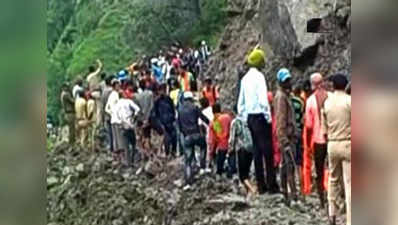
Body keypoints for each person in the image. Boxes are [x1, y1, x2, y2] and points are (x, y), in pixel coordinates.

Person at [237, 48, 279, 194]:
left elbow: (240, 103)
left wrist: (244, 118)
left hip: (250, 118)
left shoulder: (244, 79)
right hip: (261, 117)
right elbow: (263, 99)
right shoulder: (259, 77)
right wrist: (268, 117)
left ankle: (261, 185)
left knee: (257, 152)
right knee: (268, 152)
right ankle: (272, 185)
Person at [322, 74, 351, 225]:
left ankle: (332, 213)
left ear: (333, 85)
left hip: (332, 144)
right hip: (348, 143)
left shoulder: (327, 103)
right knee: (349, 182)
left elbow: (324, 129)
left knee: (333, 179)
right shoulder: (350, 101)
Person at [303, 73, 329, 208]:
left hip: (318, 141)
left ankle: (322, 200)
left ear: (312, 85)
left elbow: (308, 125)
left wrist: (307, 144)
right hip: (332, 139)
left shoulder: (310, 101)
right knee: (333, 169)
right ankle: (335, 198)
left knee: (319, 171)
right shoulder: (330, 97)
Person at [274, 68, 298, 205]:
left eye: (289, 80)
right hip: (286, 138)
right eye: (286, 81)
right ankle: (292, 195)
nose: (288, 83)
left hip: (289, 136)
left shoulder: (285, 95)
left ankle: (285, 193)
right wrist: (284, 141)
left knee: (286, 166)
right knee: (289, 166)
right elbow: (280, 120)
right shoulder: (281, 98)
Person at [178, 92, 209, 187]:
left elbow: (179, 124)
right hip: (196, 133)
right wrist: (211, 123)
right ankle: (202, 167)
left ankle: (188, 182)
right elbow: (203, 118)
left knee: (188, 160)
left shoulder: (180, 109)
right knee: (203, 146)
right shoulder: (195, 107)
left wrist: (183, 133)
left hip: (187, 136)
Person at [229, 114, 257, 198]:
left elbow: (232, 138)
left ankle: (252, 190)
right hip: (251, 148)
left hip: (241, 149)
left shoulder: (235, 122)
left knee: (242, 175)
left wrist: (230, 149)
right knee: (247, 172)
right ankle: (249, 193)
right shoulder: (248, 119)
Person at [208, 103, 235, 178]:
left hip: (222, 145)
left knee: (220, 163)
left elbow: (218, 136)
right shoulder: (227, 117)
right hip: (231, 144)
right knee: (232, 162)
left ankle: (220, 174)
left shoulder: (215, 121)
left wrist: (212, 151)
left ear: (213, 111)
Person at [116, 92, 141, 167]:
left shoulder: (117, 105)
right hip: (130, 124)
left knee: (126, 145)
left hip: (122, 125)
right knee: (133, 143)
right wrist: (134, 118)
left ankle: (128, 162)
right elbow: (138, 109)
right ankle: (133, 160)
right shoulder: (128, 102)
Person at [153, 84, 177, 157]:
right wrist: (159, 123)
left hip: (170, 120)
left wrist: (173, 118)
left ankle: (173, 152)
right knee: (167, 139)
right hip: (163, 122)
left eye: (163, 90)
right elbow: (156, 113)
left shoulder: (168, 99)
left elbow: (172, 109)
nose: (162, 92)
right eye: (160, 91)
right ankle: (167, 154)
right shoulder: (157, 101)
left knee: (174, 137)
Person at [134, 79, 154, 158]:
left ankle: (143, 153)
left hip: (140, 118)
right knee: (147, 136)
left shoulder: (137, 96)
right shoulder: (150, 94)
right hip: (148, 117)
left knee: (141, 135)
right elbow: (152, 106)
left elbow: (136, 109)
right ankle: (148, 153)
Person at [291, 82, 305, 194]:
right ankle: (302, 188)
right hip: (299, 132)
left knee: (290, 161)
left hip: (290, 133)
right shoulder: (301, 102)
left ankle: (291, 188)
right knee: (299, 162)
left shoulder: (288, 101)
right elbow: (302, 117)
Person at [105, 79, 121, 154]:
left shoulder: (111, 95)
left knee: (115, 136)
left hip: (113, 118)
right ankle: (119, 151)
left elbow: (106, 108)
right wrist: (114, 113)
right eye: (117, 86)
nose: (119, 87)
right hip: (117, 118)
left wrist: (111, 113)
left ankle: (116, 150)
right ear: (114, 87)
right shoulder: (115, 95)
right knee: (118, 135)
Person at [101, 76, 115, 152]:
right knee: (115, 132)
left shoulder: (103, 92)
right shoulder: (112, 91)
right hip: (113, 114)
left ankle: (111, 147)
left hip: (107, 115)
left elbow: (102, 105)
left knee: (109, 133)